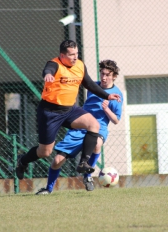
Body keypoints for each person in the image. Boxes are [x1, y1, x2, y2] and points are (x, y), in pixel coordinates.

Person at [16, 40, 121, 180]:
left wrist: (107, 95)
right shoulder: (54, 64)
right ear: (62, 55)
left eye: (77, 53)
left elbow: (90, 84)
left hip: (70, 110)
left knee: (93, 125)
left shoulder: (79, 66)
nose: (75, 57)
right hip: (50, 112)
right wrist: (47, 75)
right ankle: (23, 160)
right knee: (45, 152)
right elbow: (48, 70)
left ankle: (83, 163)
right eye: (71, 54)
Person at [36, 60, 123, 194]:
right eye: (102, 74)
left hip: (99, 127)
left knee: (96, 144)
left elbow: (116, 120)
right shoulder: (93, 87)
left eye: (108, 75)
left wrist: (107, 110)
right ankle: (48, 189)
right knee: (57, 160)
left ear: (114, 76)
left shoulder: (117, 94)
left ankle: (87, 176)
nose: (104, 77)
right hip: (80, 126)